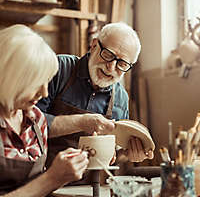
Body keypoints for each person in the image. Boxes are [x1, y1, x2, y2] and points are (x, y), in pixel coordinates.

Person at [37, 22, 154, 172]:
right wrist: (82, 122)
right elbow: (28, 124)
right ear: (93, 46)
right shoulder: (59, 69)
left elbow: (112, 152)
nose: (111, 67)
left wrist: (127, 153)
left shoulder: (121, 98)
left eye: (122, 64)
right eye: (108, 55)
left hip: (90, 186)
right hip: (45, 179)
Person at [0, 24, 89, 196]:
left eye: (46, 82)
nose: (44, 93)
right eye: (36, 84)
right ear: (9, 78)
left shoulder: (36, 120)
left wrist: (64, 173)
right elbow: (44, 183)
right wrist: (51, 178)